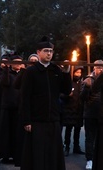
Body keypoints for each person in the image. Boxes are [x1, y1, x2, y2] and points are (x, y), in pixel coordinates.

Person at [20, 36, 72, 170]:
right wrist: (26, 120)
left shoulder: (56, 70)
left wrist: (66, 73)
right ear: (38, 52)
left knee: (52, 155)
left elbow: (66, 90)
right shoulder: (31, 72)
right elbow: (25, 97)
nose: (49, 53)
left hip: (53, 119)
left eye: (51, 51)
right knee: (37, 156)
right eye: (45, 50)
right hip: (37, 121)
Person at [80, 60, 103, 170]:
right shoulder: (88, 80)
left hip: (101, 114)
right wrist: (87, 87)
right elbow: (82, 98)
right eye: (98, 67)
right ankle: (89, 159)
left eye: (102, 67)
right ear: (94, 68)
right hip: (90, 113)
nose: (101, 69)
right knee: (90, 138)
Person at [60, 66, 84, 156]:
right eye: (76, 72)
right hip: (69, 109)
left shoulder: (81, 83)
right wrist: (67, 95)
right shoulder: (68, 83)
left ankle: (76, 147)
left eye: (80, 73)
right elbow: (60, 95)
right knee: (68, 130)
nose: (78, 74)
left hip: (78, 110)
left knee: (77, 129)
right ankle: (67, 146)